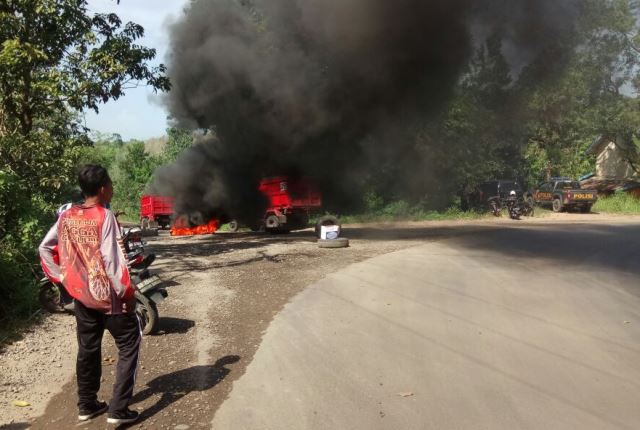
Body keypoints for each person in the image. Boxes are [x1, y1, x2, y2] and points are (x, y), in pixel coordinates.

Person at [39, 165, 141, 425]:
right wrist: (127, 293)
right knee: (129, 345)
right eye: (111, 184)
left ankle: (87, 405)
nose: (112, 188)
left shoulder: (66, 216)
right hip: (110, 299)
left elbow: (45, 248)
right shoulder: (105, 217)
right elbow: (113, 261)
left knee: (88, 349)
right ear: (104, 188)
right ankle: (118, 410)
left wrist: (62, 278)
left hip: (82, 298)